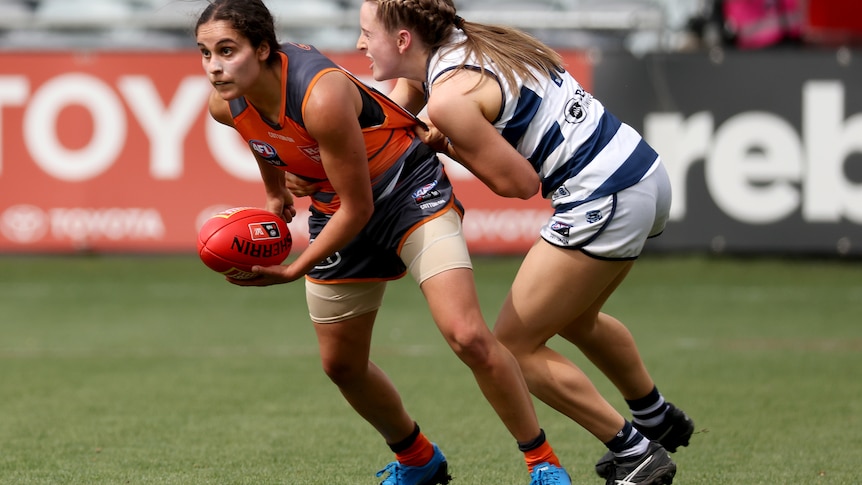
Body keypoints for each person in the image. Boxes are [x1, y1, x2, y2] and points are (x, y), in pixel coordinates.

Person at [194, 1, 572, 484]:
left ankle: (543, 463)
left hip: (406, 188)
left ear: (263, 49)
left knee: (468, 335)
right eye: (205, 53)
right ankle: (419, 460)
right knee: (341, 366)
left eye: (227, 51)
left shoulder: (319, 94)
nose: (214, 66)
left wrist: (293, 269)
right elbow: (261, 137)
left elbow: (360, 209)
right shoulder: (225, 103)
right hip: (339, 203)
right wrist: (275, 189)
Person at [352, 1, 695, 484]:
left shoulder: (450, 99)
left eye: (367, 33)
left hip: (601, 195)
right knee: (577, 318)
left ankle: (635, 452)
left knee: (513, 346)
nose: (361, 43)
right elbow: (405, 96)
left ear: (405, 40)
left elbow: (518, 184)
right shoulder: (469, 40)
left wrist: (446, 144)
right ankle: (655, 415)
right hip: (641, 172)